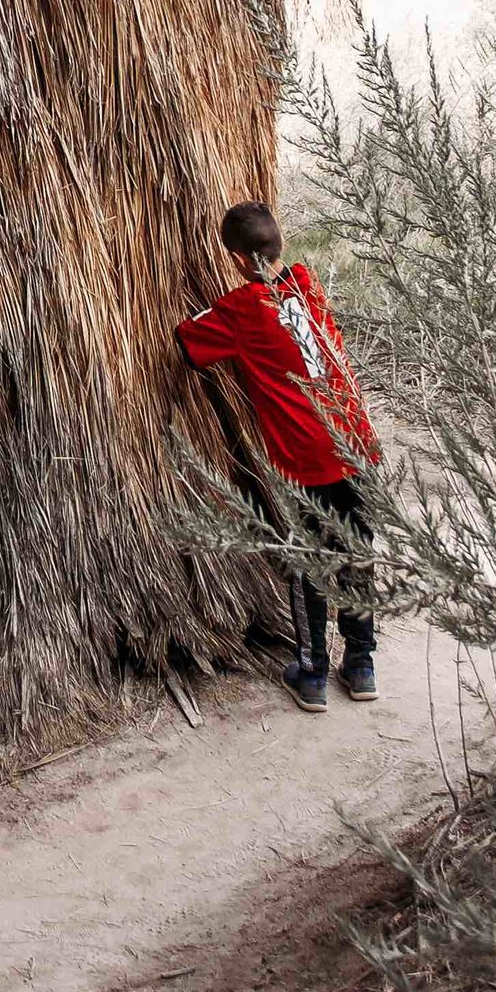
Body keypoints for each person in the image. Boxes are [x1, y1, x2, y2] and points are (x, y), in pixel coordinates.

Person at [178, 200, 381, 713]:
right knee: (356, 552)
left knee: (309, 560)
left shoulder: (244, 309)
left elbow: (187, 341)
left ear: (240, 261)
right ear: (280, 245)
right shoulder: (308, 287)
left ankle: (311, 674)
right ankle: (361, 665)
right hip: (356, 445)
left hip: (307, 456)